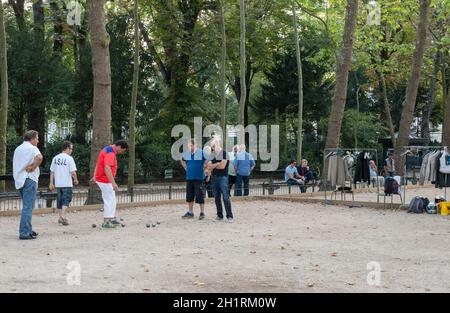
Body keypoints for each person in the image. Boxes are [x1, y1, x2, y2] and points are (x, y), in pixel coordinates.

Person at [91, 140, 128, 229]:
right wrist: (113, 183)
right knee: (109, 200)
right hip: (105, 180)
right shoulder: (110, 153)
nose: (121, 152)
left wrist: (94, 176)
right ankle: (106, 222)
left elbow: (98, 163)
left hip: (103, 179)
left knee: (112, 199)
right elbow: (107, 168)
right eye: (123, 150)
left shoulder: (107, 149)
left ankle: (111, 218)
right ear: (119, 146)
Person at [13, 130, 43, 240]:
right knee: (28, 207)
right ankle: (24, 232)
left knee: (27, 206)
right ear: (32, 139)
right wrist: (33, 167)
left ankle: (28, 229)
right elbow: (39, 157)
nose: (38, 141)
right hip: (29, 179)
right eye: (37, 138)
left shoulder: (18, 149)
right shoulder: (33, 148)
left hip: (19, 179)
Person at [49, 141, 78, 226]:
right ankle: (62, 216)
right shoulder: (69, 158)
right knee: (66, 200)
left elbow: (52, 172)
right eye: (71, 149)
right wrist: (75, 179)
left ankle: (62, 217)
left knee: (60, 201)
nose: (71, 151)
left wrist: (51, 183)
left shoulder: (55, 158)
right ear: (67, 148)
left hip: (58, 184)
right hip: (67, 183)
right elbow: (73, 172)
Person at [207, 139, 233, 223]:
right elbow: (208, 166)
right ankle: (219, 215)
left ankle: (229, 216)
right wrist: (217, 164)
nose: (213, 148)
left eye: (214, 146)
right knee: (217, 198)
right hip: (214, 178)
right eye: (212, 147)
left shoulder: (224, 153)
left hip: (223, 178)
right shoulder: (212, 154)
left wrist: (214, 165)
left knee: (226, 197)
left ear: (218, 144)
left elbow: (222, 166)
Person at [181, 139, 207, 220]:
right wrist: (185, 167)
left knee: (200, 196)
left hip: (199, 178)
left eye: (190, 145)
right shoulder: (187, 153)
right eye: (188, 145)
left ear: (194, 145)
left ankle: (202, 212)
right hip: (189, 178)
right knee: (189, 196)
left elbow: (208, 159)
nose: (189, 147)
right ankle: (190, 212)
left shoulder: (201, 152)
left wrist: (205, 166)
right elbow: (182, 160)